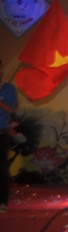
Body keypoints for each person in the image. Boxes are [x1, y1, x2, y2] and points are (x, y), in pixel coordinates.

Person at [0, 58, 18, 212]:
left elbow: (10, 109)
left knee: (1, 169)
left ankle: (2, 202)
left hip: (1, 133)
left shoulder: (8, 89)